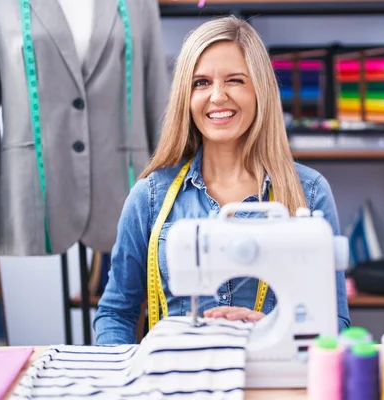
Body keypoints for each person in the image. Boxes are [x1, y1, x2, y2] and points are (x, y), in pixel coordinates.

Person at [94, 16, 350, 345]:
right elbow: (116, 313)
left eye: (235, 80)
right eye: (201, 82)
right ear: (185, 96)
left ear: (260, 90)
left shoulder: (309, 192)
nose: (217, 96)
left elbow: (337, 322)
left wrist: (276, 330)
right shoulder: (150, 197)